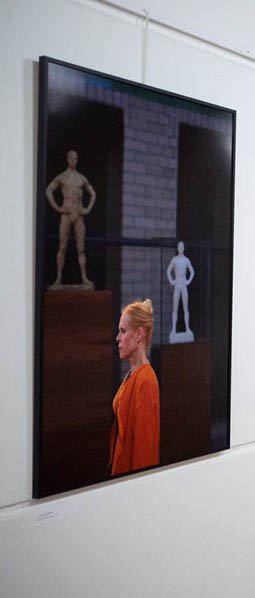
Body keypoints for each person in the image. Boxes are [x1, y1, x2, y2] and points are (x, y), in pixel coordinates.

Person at [109, 299, 160, 476]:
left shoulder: (145, 380)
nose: (118, 338)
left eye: (123, 331)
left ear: (139, 335)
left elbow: (144, 451)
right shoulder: (131, 375)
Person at [45, 150, 97, 289]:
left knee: (81, 248)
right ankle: (58, 278)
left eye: (76, 158)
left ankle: (84, 278)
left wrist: (87, 209)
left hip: (78, 214)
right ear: (67, 159)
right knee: (62, 247)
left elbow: (93, 193)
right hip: (66, 214)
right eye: (72, 158)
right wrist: (57, 208)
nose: (74, 161)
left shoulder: (81, 178)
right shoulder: (62, 177)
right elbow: (49, 190)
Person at [166, 241, 195, 342]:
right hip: (177, 285)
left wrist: (188, 281)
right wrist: (171, 281)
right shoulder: (174, 260)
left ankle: (187, 328)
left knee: (185, 308)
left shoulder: (186, 260)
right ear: (178, 248)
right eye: (179, 247)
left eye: (182, 247)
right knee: (175, 308)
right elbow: (168, 270)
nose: (181, 248)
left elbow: (192, 271)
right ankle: (173, 329)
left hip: (183, 285)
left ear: (184, 248)